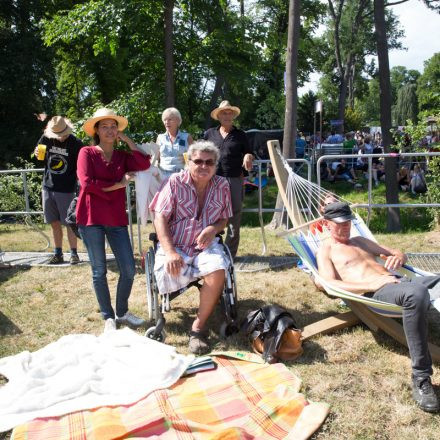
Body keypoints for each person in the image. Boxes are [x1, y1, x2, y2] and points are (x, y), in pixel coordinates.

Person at [317, 202, 440, 413]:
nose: (345, 227)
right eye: (339, 224)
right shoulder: (326, 250)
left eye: (347, 222)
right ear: (326, 224)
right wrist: (369, 285)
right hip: (378, 293)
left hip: (400, 281)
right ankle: (421, 377)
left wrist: (399, 256)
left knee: (425, 286)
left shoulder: (360, 241)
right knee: (416, 295)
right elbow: (330, 284)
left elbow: (395, 251)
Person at [149, 140, 233, 354]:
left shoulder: (222, 185)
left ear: (216, 165)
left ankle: (198, 328)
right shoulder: (174, 182)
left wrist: (213, 229)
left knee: (217, 269)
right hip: (176, 244)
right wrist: (170, 252)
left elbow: (224, 218)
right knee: (169, 268)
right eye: (198, 161)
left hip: (205, 245)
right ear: (189, 162)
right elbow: (160, 218)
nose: (204, 166)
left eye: (209, 162)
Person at [77, 108, 151, 332]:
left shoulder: (122, 156)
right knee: (99, 270)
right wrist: (117, 185)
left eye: (113, 127)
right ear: (96, 131)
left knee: (128, 269)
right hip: (91, 218)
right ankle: (108, 316)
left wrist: (127, 140)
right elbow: (86, 183)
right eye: (104, 127)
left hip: (116, 218)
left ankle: (122, 312)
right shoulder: (86, 152)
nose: (109, 130)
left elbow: (144, 163)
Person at [204, 100, 254, 258]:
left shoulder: (240, 135)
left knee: (234, 215)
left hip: (234, 179)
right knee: (210, 214)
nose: (226, 115)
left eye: (229, 112)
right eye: (223, 113)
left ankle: (229, 254)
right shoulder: (209, 134)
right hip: (212, 180)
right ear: (218, 116)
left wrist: (247, 156)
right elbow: (201, 153)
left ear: (233, 115)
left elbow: (249, 152)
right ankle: (211, 249)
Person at [34, 116, 84, 264]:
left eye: (62, 134)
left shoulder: (76, 143)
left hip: (67, 189)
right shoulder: (46, 138)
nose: (60, 137)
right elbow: (40, 157)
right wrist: (37, 154)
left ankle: (74, 254)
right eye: (57, 135)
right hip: (48, 186)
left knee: (69, 223)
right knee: (54, 222)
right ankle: (58, 254)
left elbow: (81, 167)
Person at [156, 107, 194, 181]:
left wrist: (187, 160)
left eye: (170, 119)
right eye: (165, 120)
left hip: (182, 177)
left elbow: (194, 157)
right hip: (163, 177)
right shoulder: (160, 138)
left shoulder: (187, 137)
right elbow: (156, 159)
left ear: (178, 121)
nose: (166, 122)